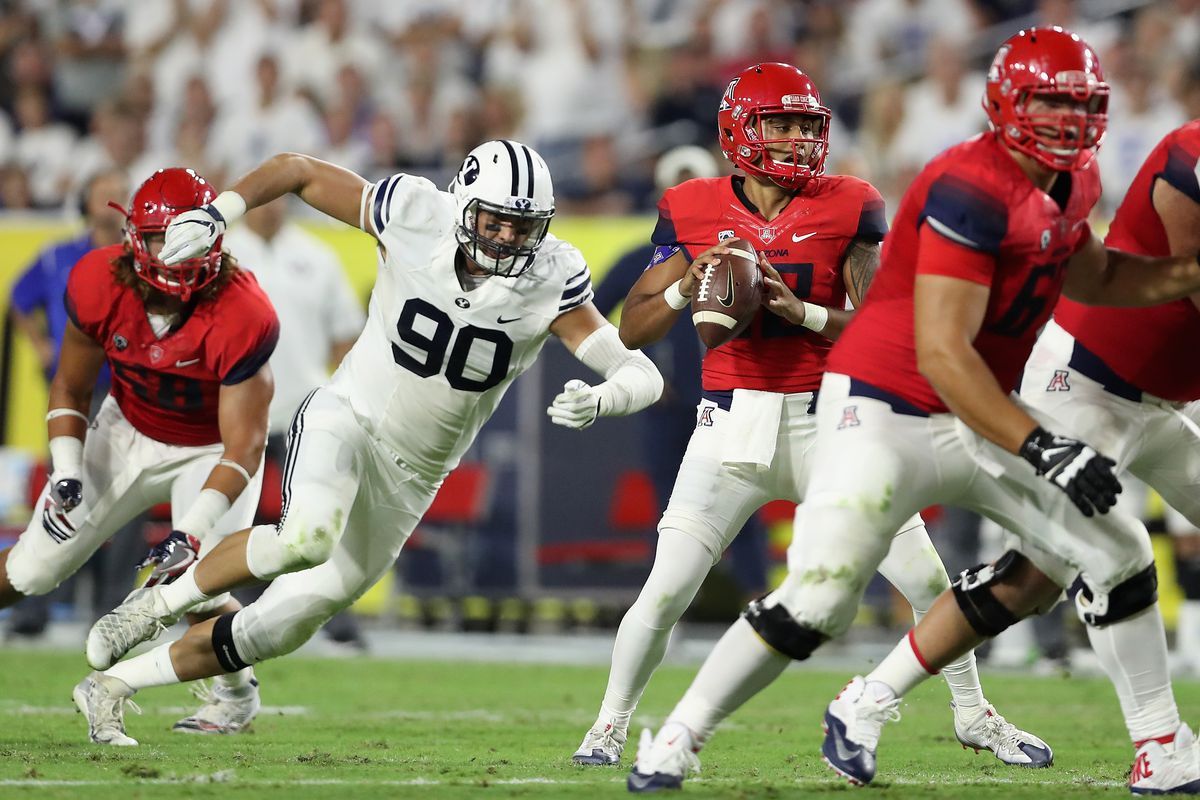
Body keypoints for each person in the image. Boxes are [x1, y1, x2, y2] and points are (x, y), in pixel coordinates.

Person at [625, 28, 1200, 795]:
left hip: (974, 413)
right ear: (1005, 103)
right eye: (1050, 102)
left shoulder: (1078, 180)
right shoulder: (969, 187)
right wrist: (1043, 444)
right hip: (885, 412)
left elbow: (1091, 273)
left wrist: (1185, 273)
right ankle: (678, 736)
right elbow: (944, 356)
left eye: (1078, 104)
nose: (1066, 120)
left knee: (1117, 549)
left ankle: (1161, 748)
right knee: (821, 600)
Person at [80, 140, 665, 746]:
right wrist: (221, 212)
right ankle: (155, 604)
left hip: (414, 475)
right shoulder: (415, 214)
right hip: (348, 417)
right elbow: (297, 170)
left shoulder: (550, 276)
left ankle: (113, 686)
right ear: (463, 202)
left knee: (282, 626)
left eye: (524, 226)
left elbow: (641, 373)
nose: (508, 239)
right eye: (496, 221)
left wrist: (605, 398)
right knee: (305, 536)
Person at [574, 62, 1047, 771]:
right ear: (739, 131)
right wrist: (690, 285)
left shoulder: (849, 202)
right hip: (731, 424)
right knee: (666, 589)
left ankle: (973, 713)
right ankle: (608, 727)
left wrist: (802, 312)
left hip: (835, 425)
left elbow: (884, 324)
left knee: (924, 580)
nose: (797, 138)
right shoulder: (693, 205)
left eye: (806, 124)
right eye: (782, 124)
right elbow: (634, 326)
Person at [0, 167, 278, 744]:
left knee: (197, 581)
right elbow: (71, 388)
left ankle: (234, 694)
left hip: (211, 450)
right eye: (158, 236)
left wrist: (193, 532)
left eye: (184, 234)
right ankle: (237, 684)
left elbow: (245, 445)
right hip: (125, 430)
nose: (171, 249)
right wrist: (69, 466)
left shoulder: (243, 310)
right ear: (134, 238)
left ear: (212, 237)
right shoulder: (98, 281)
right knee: (32, 567)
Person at [590, 144, 770, 603]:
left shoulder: (743, 252)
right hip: (667, 408)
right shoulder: (642, 259)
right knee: (671, 511)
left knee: (744, 503)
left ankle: (756, 601)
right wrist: (635, 366)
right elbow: (586, 314)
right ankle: (668, 607)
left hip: (730, 397)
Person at [222, 196, 367, 650]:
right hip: (235, 409)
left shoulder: (317, 256)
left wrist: (339, 393)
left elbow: (346, 332)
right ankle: (233, 608)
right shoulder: (222, 255)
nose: (269, 209)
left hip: (303, 408)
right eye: (262, 201)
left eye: (277, 201)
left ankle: (331, 613)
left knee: (319, 514)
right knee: (232, 514)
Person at [7, 168, 141, 637]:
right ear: (85, 204)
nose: (111, 205)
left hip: (128, 394)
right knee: (61, 493)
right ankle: (34, 604)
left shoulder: (142, 260)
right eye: (103, 196)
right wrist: (41, 345)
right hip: (73, 392)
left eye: (119, 197)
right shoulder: (56, 257)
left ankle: (112, 608)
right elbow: (19, 299)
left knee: (130, 496)